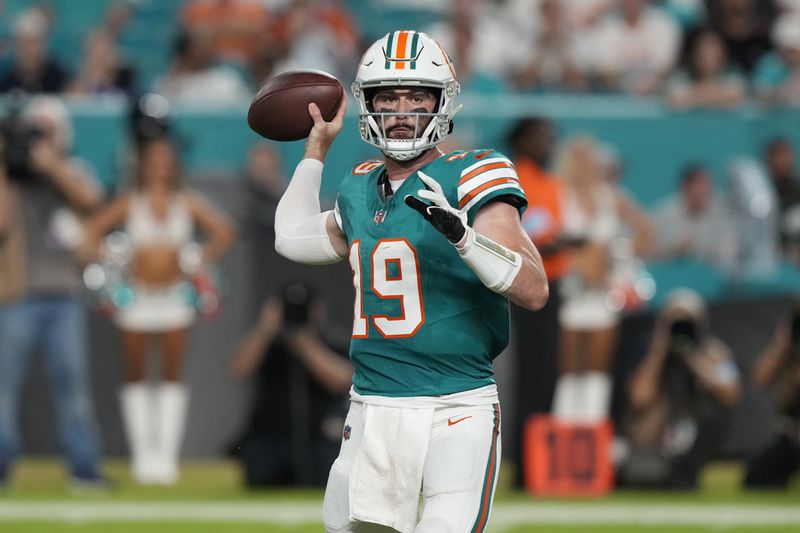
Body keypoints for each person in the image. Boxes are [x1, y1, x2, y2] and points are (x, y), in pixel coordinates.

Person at [273, 30, 548, 533]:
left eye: (417, 96)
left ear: (441, 103)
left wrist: (464, 238)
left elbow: (533, 290)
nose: (402, 110)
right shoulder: (358, 185)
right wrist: (315, 152)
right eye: (388, 98)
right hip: (372, 405)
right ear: (367, 106)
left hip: (455, 407)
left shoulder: (474, 173)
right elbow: (291, 238)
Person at [80, 134, 236, 485]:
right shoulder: (129, 202)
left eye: (166, 161)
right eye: (153, 161)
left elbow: (225, 231)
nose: (160, 168)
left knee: (170, 374)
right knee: (135, 373)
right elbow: (90, 231)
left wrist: (197, 261)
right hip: (136, 296)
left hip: (174, 297)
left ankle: (165, 459)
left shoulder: (186, 201)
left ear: (174, 166)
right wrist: (112, 259)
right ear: (143, 165)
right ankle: (142, 457)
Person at [0, 96, 106, 488]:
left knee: (73, 387)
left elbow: (91, 202)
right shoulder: (10, 175)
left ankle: (83, 467)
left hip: (64, 293)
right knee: (4, 389)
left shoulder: (72, 170)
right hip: (17, 293)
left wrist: (50, 167)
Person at [551, 135, 652, 425]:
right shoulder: (559, 194)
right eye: (580, 158)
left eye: (590, 157)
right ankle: (564, 434)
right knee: (568, 371)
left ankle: (592, 435)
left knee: (597, 371)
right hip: (568, 292)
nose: (587, 164)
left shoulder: (611, 195)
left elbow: (645, 228)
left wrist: (618, 254)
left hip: (602, 294)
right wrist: (573, 258)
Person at [229, 282, 352, 487]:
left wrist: (305, 344)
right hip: (269, 439)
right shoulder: (266, 345)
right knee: (261, 478)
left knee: (322, 478)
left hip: (318, 439)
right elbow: (239, 370)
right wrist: (264, 330)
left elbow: (342, 381)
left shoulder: (331, 342)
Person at [619, 289, 741, 489]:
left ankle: (686, 473)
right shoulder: (648, 349)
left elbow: (732, 394)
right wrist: (660, 349)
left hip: (691, 433)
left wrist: (694, 358)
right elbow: (639, 398)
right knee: (643, 475)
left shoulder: (713, 352)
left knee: (718, 412)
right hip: (655, 440)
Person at [505, 116, 570, 486]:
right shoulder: (515, 178)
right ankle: (524, 467)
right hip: (521, 285)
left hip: (552, 283)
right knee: (527, 378)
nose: (548, 142)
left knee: (546, 378)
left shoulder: (551, 182)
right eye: (539, 136)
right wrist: (550, 245)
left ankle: (537, 466)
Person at [744, 302, 800, 488]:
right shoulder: (789, 355)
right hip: (793, 441)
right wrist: (783, 341)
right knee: (756, 479)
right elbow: (759, 379)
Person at [651, 164, 737, 269]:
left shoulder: (723, 211)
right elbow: (649, 250)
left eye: (707, 183)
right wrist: (673, 250)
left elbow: (730, 252)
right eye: (699, 184)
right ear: (685, 186)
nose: (705, 190)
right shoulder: (665, 212)